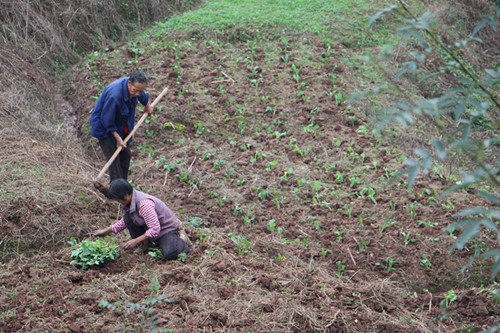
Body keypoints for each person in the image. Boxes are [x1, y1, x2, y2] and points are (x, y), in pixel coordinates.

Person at [94, 179, 191, 260]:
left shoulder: (144, 204)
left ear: (127, 194)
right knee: (128, 218)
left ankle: (182, 238)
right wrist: (106, 231)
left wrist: (136, 241)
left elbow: (155, 229)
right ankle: (146, 243)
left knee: (170, 254)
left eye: (120, 199)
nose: (119, 202)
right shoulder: (129, 202)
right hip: (150, 226)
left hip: (165, 228)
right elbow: (125, 221)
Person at [90, 70, 154, 183]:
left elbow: (142, 96)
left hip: (121, 125)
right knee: (114, 161)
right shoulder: (115, 95)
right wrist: (117, 138)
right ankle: (116, 191)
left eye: (140, 91)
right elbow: (107, 120)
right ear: (129, 83)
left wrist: (147, 105)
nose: (137, 94)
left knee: (125, 155)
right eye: (135, 90)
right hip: (105, 128)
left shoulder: (136, 88)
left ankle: (123, 187)